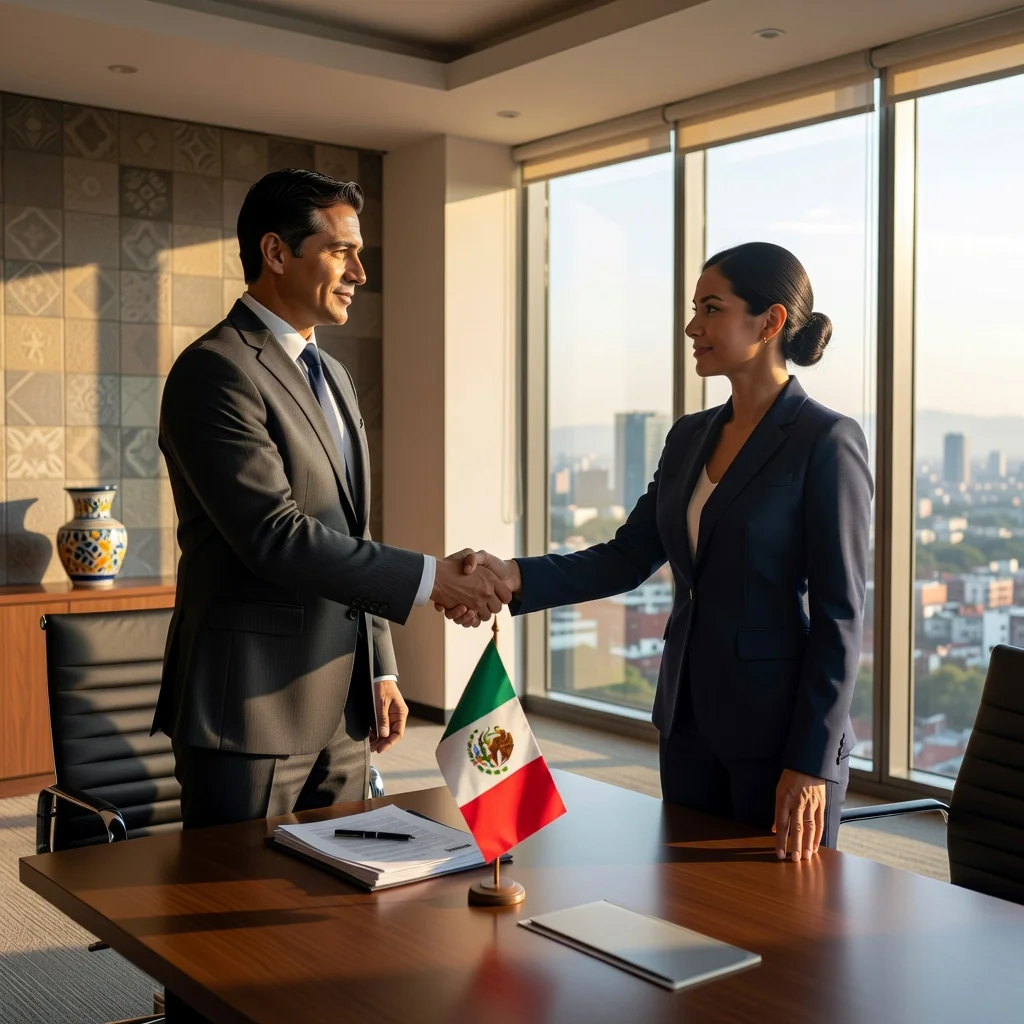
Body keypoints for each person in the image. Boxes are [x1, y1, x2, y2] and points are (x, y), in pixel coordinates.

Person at [445, 241, 873, 862]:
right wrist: (510, 575)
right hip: (687, 721)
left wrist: (812, 761)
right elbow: (627, 556)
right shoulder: (689, 436)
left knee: (781, 909)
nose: (692, 327)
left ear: (771, 321)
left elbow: (841, 617)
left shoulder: (826, 439)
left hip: (780, 735)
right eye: (694, 308)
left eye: (711, 308)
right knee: (684, 898)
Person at [154, 168, 511, 834]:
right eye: (341, 251)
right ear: (276, 251)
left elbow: (350, 530)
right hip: (251, 710)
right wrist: (433, 579)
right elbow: (276, 536)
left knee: (342, 885)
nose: (359, 273)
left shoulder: (334, 376)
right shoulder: (216, 370)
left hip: (345, 709)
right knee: (241, 895)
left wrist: (380, 668)